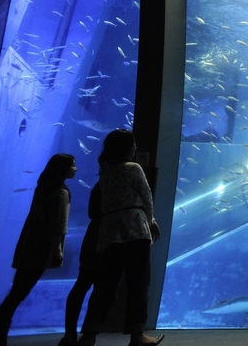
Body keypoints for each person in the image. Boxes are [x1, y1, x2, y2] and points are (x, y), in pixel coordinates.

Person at [77, 129, 162, 346]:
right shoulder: (133, 168)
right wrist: (150, 220)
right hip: (134, 228)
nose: (135, 147)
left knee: (105, 286)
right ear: (128, 147)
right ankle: (137, 335)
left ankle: (89, 335)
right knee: (139, 283)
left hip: (109, 231)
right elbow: (146, 196)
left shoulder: (106, 170)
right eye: (133, 144)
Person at [0, 154, 76, 346]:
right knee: (19, 293)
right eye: (72, 165)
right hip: (42, 248)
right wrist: (58, 250)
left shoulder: (43, 188)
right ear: (63, 168)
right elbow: (59, 225)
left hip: (28, 243)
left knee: (17, 291)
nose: (75, 169)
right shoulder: (61, 192)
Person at [58, 184, 102, 346]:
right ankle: (88, 335)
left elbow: (91, 212)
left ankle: (70, 334)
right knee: (100, 289)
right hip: (105, 239)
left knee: (82, 285)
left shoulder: (99, 186)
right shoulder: (108, 185)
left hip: (93, 238)